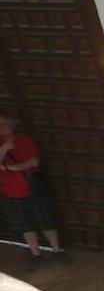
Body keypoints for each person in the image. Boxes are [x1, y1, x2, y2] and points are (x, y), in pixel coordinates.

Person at [0, 113, 62, 266]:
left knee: (46, 222)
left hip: (33, 189)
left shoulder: (25, 140)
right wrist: (3, 149)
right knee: (25, 225)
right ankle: (36, 254)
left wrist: (13, 167)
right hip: (11, 193)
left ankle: (57, 251)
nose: (3, 128)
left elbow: (34, 161)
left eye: (5, 123)